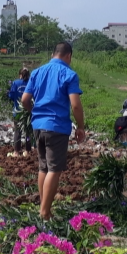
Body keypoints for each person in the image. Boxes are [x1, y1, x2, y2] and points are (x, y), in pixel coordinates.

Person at [20, 42, 85, 221]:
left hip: (37, 126)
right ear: (69, 56)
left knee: (44, 167)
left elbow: (25, 100)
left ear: (52, 54)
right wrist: (80, 126)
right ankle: (44, 212)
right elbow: (75, 105)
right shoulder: (69, 74)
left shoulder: (37, 72)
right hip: (56, 127)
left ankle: (44, 208)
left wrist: (35, 112)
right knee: (54, 170)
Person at [7, 67, 32, 157]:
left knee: (18, 131)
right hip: (28, 111)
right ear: (28, 75)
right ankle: (27, 151)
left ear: (20, 75)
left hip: (17, 112)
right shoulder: (31, 83)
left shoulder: (16, 83)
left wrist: (8, 94)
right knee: (28, 132)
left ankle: (16, 152)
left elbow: (11, 95)